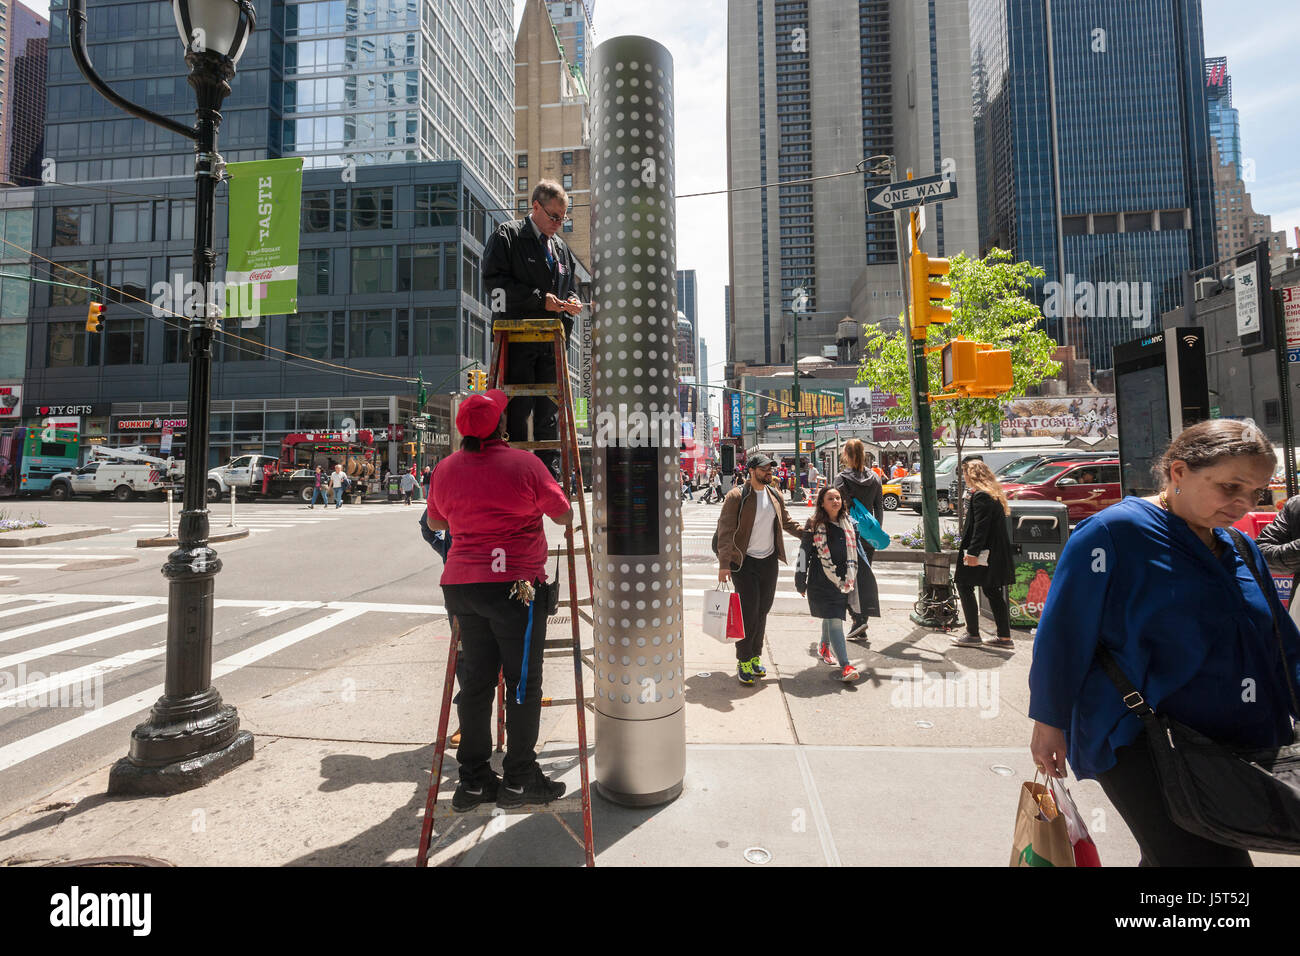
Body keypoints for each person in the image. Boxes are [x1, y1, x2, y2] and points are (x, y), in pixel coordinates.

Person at [1028, 419, 1299, 866]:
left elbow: (1280, 643)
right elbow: (1063, 634)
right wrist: (1048, 721)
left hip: (1231, 743)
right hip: (1143, 736)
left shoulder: (1238, 545)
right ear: (1178, 473)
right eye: (1229, 486)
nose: (1242, 503)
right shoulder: (1112, 533)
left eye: (1255, 493)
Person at [428, 388, 575, 811]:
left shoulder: (446, 468)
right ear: (502, 427)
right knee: (523, 683)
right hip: (516, 586)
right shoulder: (524, 464)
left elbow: (437, 519)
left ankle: (473, 780)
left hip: (462, 586)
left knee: (475, 684)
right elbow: (563, 513)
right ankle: (519, 779)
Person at [483, 180, 583, 481]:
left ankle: (547, 475)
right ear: (535, 207)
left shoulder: (562, 250)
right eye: (553, 216)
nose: (557, 223)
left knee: (548, 411)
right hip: (516, 339)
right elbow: (494, 285)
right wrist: (540, 299)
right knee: (517, 407)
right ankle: (509, 471)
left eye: (562, 218)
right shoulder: (508, 236)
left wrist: (571, 302)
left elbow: (568, 287)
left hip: (552, 342)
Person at [715, 453, 806, 685]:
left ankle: (755, 656)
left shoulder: (774, 494)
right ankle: (743, 659)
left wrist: (809, 534)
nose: (770, 473)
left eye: (771, 469)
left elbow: (786, 521)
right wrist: (724, 565)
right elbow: (725, 531)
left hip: (768, 561)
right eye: (765, 469)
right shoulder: (737, 496)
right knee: (748, 612)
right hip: (743, 563)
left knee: (763, 609)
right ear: (752, 470)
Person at [795, 486, 862, 683]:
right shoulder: (814, 524)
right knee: (834, 619)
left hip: (843, 581)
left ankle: (824, 646)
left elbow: (856, 552)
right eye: (830, 498)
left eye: (838, 498)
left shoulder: (849, 523)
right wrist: (800, 580)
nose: (835, 501)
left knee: (831, 615)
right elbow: (803, 554)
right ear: (822, 503)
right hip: (821, 581)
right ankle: (846, 665)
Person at [949, 458, 1014, 648]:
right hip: (993, 552)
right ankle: (1004, 637)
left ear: (972, 475)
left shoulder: (981, 496)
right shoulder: (991, 494)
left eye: (965, 474)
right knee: (991, 590)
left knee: (964, 585)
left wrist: (972, 553)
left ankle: (973, 634)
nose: (964, 477)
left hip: (982, 552)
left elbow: (980, 528)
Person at [833, 439, 883, 642]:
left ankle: (858, 619)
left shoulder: (841, 479)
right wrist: (874, 530)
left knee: (843, 578)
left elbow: (838, 508)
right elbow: (879, 508)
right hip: (869, 534)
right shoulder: (875, 478)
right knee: (863, 577)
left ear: (846, 454)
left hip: (847, 532)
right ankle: (861, 622)